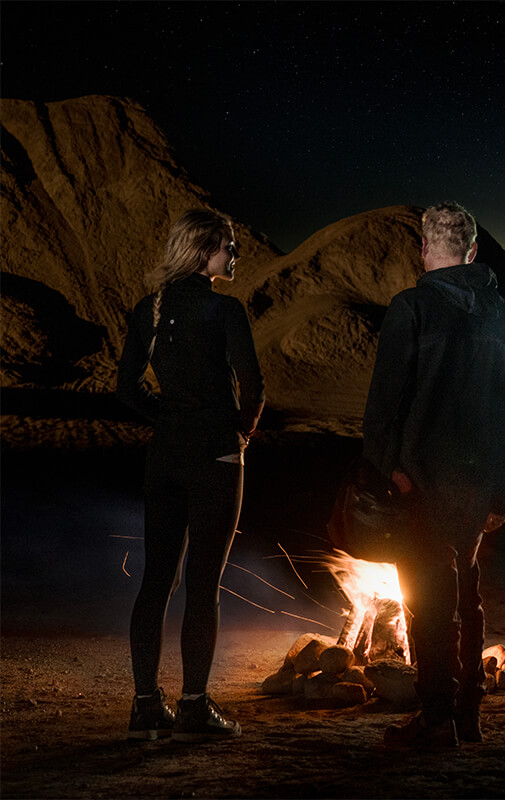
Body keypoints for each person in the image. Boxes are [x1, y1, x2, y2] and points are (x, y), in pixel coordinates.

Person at [362, 202, 505, 749]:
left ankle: (437, 721)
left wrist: (392, 470)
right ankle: (467, 716)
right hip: (478, 483)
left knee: (430, 599)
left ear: (427, 248)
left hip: (424, 483)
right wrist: (504, 488)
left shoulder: (411, 307)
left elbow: (384, 402)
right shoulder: (502, 314)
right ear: (474, 252)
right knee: (468, 596)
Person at [117, 209, 264, 742]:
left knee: (157, 579)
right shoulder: (225, 310)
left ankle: (144, 706)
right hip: (216, 459)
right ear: (204, 251)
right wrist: (240, 432)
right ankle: (195, 707)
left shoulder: (147, 311)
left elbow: (126, 390)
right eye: (229, 245)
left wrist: (170, 419)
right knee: (204, 586)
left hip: (165, 458)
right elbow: (254, 388)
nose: (235, 254)